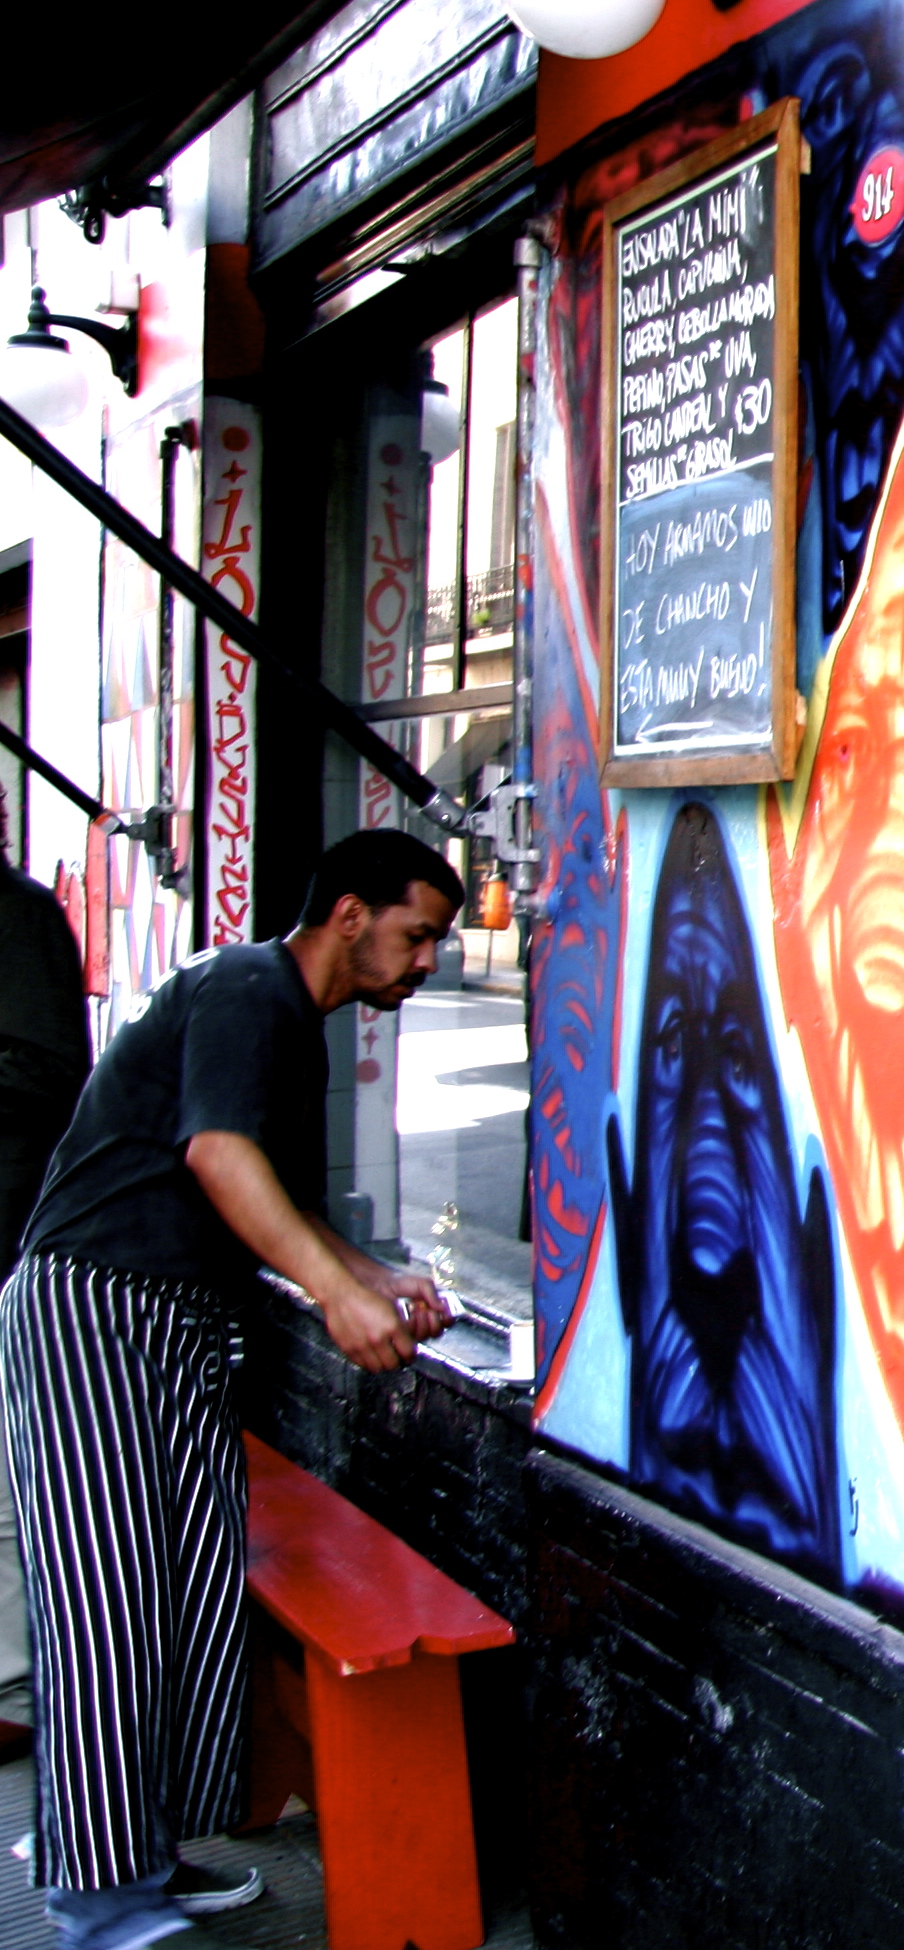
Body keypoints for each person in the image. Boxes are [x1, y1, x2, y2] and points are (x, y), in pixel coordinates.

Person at [2, 830, 459, 1950]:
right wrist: (335, 1296)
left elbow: (273, 1204)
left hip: (175, 1322)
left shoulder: (286, 1021)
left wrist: (375, 1277)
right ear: (349, 914)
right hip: (94, 1310)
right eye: (416, 934)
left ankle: (140, 1854)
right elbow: (219, 1158)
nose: (426, 962)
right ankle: (99, 1899)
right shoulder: (249, 987)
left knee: (190, 1592)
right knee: (108, 1603)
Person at [0, 842, 93, 1771]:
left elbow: (48, 1073)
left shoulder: (21, 916)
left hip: (9, 1232)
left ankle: (11, 1692)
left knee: (5, 1478)